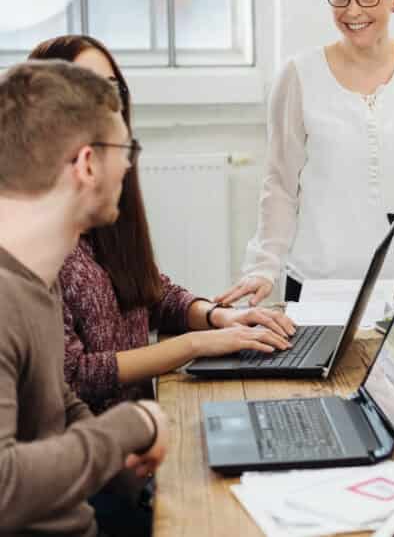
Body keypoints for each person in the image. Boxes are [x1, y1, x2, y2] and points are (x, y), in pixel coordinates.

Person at [29, 35, 294, 417]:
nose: (104, 104)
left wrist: (218, 316)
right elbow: (73, 375)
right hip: (102, 445)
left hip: (144, 421)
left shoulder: (103, 206)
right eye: (82, 88)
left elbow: (151, 293)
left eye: (111, 88)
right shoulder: (40, 239)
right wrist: (196, 346)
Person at [218, 0, 394, 305]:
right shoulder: (298, 75)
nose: (352, 11)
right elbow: (280, 186)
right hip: (317, 284)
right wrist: (264, 266)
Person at [0, 60, 170, 536]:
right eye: (124, 149)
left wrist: (117, 461)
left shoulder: (37, 276)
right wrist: (133, 424)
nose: (130, 163)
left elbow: (54, 403)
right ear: (88, 164)